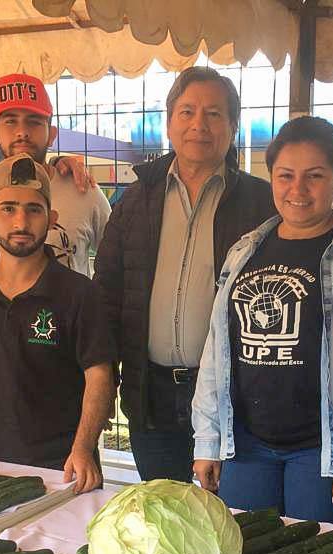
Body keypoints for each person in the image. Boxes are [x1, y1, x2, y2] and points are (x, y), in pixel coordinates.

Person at [191, 116, 333, 525]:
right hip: (247, 446)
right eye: (285, 175)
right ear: (271, 177)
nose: (298, 190)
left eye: (315, 176)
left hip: (320, 454)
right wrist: (208, 439)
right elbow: (216, 352)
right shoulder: (244, 251)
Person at [93, 66, 275, 483]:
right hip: (150, 393)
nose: (199, 125)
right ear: (169, 122)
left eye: (214, 114)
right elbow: (106, 295)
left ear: (233, 126)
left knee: (227, 521)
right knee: (166, 514)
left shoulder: (261, 204)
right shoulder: (134, 201)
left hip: (233, 397)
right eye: (187, 111)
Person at [0, 155, 113, 492]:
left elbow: (100, 375)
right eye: (8, 208)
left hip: (64, 468)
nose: (21, 221)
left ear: (52, 219)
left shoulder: (79, 294)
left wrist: (83, 448)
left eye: (34, 209)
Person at [0, 73, 110, 276]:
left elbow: (119, 264)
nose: (22, 132)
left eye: (34, 122)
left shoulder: (84, 191)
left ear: (51, 134)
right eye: (10, 121)